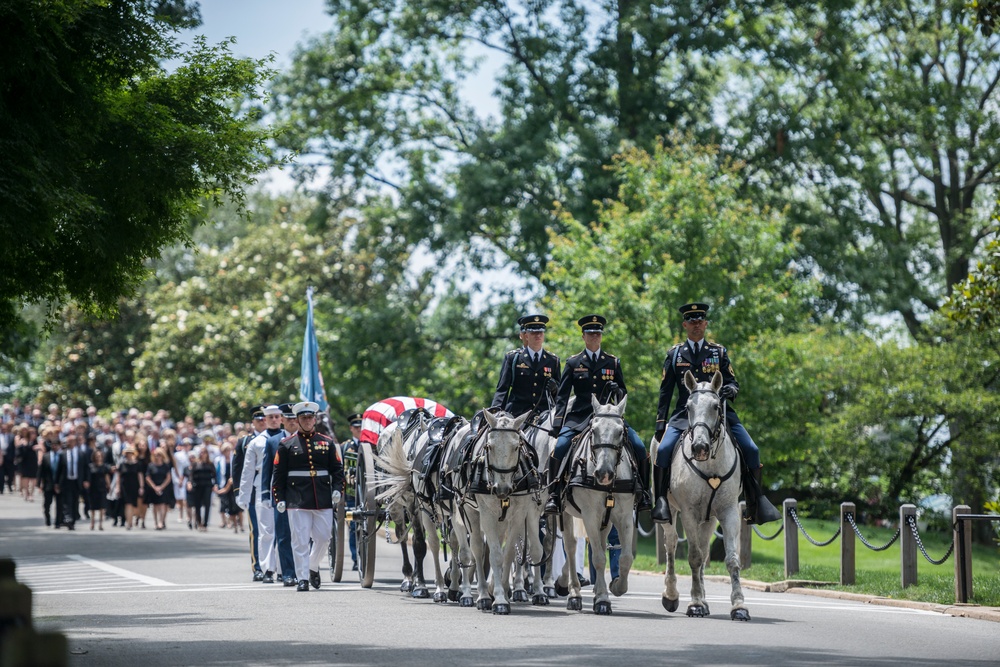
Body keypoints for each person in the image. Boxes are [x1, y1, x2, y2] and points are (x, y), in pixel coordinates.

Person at [652, 302, 781, 525]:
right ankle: (662, 501)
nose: (696, 325)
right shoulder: (675, 355)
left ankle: (756, 501)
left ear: (705, 324)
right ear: (685, 325)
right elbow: (665, 392)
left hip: (718, 412)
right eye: (691, 321)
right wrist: (661, 423)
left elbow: (732, 381)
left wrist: (731, 389)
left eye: (700, 321)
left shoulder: (718, 352)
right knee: (663, 450)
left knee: (751, 449)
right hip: (686, 414)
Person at [545, 314, 651, 514]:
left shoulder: (612, 362)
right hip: (579, 416)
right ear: (584, 336)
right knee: (559, 448)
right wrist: (558, 424)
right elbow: (563, 396)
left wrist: (617, 390)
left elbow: (623, 394)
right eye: (590, 334)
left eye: (597, 334)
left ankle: (644, 492)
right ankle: (554, 494)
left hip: (609, 417)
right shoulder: (573, 362)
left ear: (601, 336)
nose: (594, 337)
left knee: (639, 446)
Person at [272, 401, 345, 592]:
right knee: (300, 540)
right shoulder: (286, 444)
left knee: (324, 538)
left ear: (314, 419)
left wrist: (338, 488)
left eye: (310, 417)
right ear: (297, 420)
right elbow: (278, 475)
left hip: (322, 497)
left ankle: (313, 566)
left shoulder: (326, 442)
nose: (307, 421)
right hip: (296, 499)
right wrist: (279, 498)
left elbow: (337, 470)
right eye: (303, 418)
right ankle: (302, 577)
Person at [237, 407, 279, 582]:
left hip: (283, 487)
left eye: (276, 417)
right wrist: (243, 496)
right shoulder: (254, 442)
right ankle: (266, 568)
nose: (270, 420)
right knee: (265, 531)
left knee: (284, 531)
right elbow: (246, 471)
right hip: (262, 488)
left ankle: (284, 568)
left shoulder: (286, 438)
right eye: (268, 418)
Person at [257, 404, 297, 586]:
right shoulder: (273, 442)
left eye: (294, 419)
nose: (292, 422)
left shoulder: (310, 440)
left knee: (305, 535)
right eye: (288, 419)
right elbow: (267, 470)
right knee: (283, 535)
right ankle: (288, 573)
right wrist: (265, 494)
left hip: (303, 494)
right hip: (281, 494)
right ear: (283, 420)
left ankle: (305, 569)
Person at [490, 314, 561, 417]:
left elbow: (560, 394)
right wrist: (495, 414)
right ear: (526, 335)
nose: (538, 335)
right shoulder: (513, 358)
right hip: (517, 414)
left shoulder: (553, 360)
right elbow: (502, 390)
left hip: (544, 416)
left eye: (540, 332)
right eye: (533, 332)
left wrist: (555, 389)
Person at [232, 406, 265, 581]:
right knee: (256, 530)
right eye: (258, 420)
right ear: (252, 423)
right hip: (253, 490)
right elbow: (237, 469)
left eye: (264, 419)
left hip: (271, 488)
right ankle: (257, 566)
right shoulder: (244, 442)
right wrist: (239, 492)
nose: (262, 422)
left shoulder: (279, 438)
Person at [341, 412, 363, 570]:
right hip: (351, 493)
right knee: (354, 527)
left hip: (367, 492)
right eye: (356, 427)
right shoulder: (345, 446)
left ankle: (365, 556)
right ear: (351, 428)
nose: (359, 429)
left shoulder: (371, 445)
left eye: (362, 426)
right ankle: (356, 558)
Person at [36, 429, 64, 528]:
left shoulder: (62, 456)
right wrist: (38, 483)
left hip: (59, 485)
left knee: (59, 505)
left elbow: (63, 472)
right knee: (47, 504)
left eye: (56, 445)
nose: (55, 446)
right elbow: (41, 471)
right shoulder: (46, 457)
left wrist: (60, 484)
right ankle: (48, 519)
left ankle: (58, 522)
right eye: (53, 445)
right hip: (48, 484)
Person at [144, 448, 175, 530]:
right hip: (153, 487)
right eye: (156, 455)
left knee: (163, 504)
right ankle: (156, 522)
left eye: (159, 455)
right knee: (155, 505)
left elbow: (168, 477)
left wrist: (161, 487)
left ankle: (161, 521)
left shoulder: (166, 466)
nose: (158, 457)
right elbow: (147, 477)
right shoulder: (151, 465)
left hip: (163, 487)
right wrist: (154, 487)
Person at [187, 446, 216, 531]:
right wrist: (189, 483)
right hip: (198, 485)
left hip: (207, 485)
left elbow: (214, 475)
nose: (202, 454)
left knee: (207, 505)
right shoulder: (195, 463)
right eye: (201, 452)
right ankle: (199, 522)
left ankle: (205, 524)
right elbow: (191, 475)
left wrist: (215, 485)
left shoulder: (210, 464)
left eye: (204, 452)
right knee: (197, 505)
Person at [117, 446, 144, 530]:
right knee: (127, 504)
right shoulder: (122, 464)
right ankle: (129, 522)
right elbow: (118, 476)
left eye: (130, 453)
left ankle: (135, 518)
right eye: (127, 453)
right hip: (125, 486)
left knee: (134, 505)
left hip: (135, 486)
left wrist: (141, 487)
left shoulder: (137, 464)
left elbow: (140, 476)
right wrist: (117, 488)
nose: (129, 455)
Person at [87, 449, 112, 530]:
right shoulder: (90, 466)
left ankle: (101, 524)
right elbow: (88, 477)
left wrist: (109, 486)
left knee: (102, 507)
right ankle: (92, 523)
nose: (98, 458)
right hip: (93, 489)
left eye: (100, 456)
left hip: (102, 488)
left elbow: (107, 476)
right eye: (97, 456)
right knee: (93, 507)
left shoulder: (104, 466)